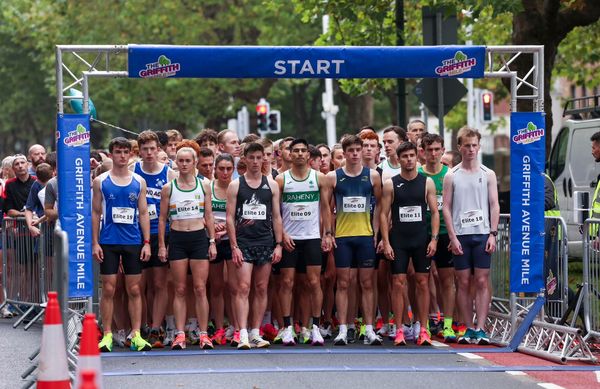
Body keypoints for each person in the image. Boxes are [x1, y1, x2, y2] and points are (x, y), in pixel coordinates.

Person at [92, 137, 152, 352]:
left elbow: (144, 212)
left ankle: (135, 334)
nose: (122, 156)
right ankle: (107, 334)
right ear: (111, 154)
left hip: (133, 241)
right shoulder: (101, 181)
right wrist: (95, 243)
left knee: (134, 288)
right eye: (118, 152)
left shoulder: (139, 181)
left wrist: (147, 243)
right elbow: (96, 212)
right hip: (108, 241)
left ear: (130, 154)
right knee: (109, 289)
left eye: (126, 152)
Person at [442, 127, 499, 345]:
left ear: (479, 146)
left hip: (482, 234)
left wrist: (492, 234)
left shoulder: (488, 174)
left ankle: (481, 328)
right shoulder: (452, 175)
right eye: (467, 145)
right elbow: (446, 207)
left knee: (482, 280)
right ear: (460, 147)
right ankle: (467, 328)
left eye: (474, 145)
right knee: (463, 282)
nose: (471, 149)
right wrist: (453, 237)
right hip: (461, 236)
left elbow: (494, 205)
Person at [325, 135, 382, 346]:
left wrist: (376, 233)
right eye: (352, 150)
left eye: (359, 149)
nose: (356, 153)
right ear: (345, 152)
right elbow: (327, 208)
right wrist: (329, 233)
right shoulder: (333, 177)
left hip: (365, 236)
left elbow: (380, 208)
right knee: (343, 283)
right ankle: (342, 328)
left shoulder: (373, 176)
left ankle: (368, 329)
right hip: (343, 237)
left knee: (367, 283)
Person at [158, 147, 217, 350]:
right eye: (180, 161)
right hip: (177, 238)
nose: (183, 164)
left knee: (200, 288)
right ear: (177, 163)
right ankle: (180, 334)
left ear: (194, 163)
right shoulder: (169, 188)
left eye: (187, 161)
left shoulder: (204, 185)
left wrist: (212, 242)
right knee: (180, 289)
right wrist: (161, 246)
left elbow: (209, 216)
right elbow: (162, 218)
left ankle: (203, 334)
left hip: (199, 237)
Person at [380, 141, 439, 346]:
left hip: (420, 240)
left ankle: (423, 329)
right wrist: (385, 242)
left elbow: (434, 212)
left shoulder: (427, 183)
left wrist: (434, 239)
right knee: (398, 283)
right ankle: (399, 329)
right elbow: (383, 214)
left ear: (417, 157)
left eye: (412, 156)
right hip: (399, 240)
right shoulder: (390, 183)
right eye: (404, 156)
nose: (408, 160)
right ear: (399, 159)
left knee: (422, 282)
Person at [226, 142, 283, 349]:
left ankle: (255, 332)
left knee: (261, 288)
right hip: (244, 242)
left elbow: (276, 216)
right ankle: (242, 333)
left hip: (265, 242)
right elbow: (230, 217)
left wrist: (278, 244)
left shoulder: (272, 184)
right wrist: (234, 246)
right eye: (252, 158)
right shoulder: (236, 185)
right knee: (243, 287)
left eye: (260, 158)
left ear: (264, 159)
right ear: (246, 160)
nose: (256, 162)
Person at [276, 138, 331, 346]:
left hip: (311, 238)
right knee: (287, 283)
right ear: (289, 154)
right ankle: (288, 327)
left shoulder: (319, 178)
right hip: (290, 239)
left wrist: (327, 233)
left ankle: (313, 327)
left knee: (313, 282)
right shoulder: (281, 180)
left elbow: (325, 208)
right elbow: (276, 212)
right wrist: (282, 235)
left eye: (303, 150)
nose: (299, 154)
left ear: (309, 155)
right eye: (295, 150)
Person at [132, 130, 177, 348]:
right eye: (145, 149)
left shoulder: (169, 174)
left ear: (158, 149)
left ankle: (156, 328)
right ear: (139, 151)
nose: (149, 153)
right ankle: (139, 327)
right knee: (139, 285)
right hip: (136, 233)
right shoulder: (134, 171)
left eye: (152, 148)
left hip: (161, 232)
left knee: (160, 283)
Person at [418, 133, 457, 342]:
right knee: (421, 281)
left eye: (437, 149)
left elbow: (457, 207)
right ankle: (423, 324)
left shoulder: (450, 175)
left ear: (442, 150)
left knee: (447, 281)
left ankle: (448, 325)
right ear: (422, 152)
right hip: (421, 234)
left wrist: (454, 235)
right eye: (429, 150)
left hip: (445, 233)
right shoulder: (416, 174)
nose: (433, 154)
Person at [209, 154, 237, 345]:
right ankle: (219, 328)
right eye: (221, 169)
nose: (225, 172)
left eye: (229, 169)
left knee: (234, 287)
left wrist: (227, 228)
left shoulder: (237, 188)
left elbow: (244, 216)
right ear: (215, 169)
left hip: (233, 240)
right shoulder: (208, 188)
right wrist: (212, 230)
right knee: (217, 286)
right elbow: (203, 212)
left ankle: (236, 327)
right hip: (213, 241)